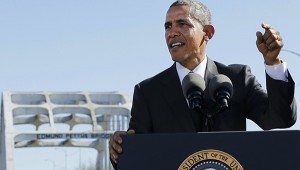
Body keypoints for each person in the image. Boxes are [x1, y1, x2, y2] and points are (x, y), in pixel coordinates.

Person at [109, 0, 297, 168]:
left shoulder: (238, 78)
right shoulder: (148, 92)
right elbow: (138, 159)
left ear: (208, 33)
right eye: (167, 26)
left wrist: (273, 63)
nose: (172, 32)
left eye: (182, 24)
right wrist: (119, 149)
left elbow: (280, 119)